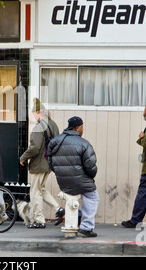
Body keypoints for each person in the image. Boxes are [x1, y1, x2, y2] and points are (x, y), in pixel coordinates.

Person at [48, 116, 99, 237]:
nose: (83, 130)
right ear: (77, 128)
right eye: (82, 127)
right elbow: (91, 166)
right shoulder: (84, 144)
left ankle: (79, 215)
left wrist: (60, 173)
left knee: (73, 196)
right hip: (80, 181)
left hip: (63, 181)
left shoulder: (55, 141)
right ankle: (86, 226)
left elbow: (50, 162)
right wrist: (91, 176)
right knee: (92, 196)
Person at [20, 98, 64, 229]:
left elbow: (34, 147)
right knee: (42, 189)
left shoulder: (39, 126)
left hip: (38, 165)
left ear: (38, 112)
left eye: (34, 113)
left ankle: (39, 220)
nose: (33, 116)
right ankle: (58, 208)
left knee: (35, 192)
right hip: (48, 164)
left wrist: (23, 157)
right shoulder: (53, 124)